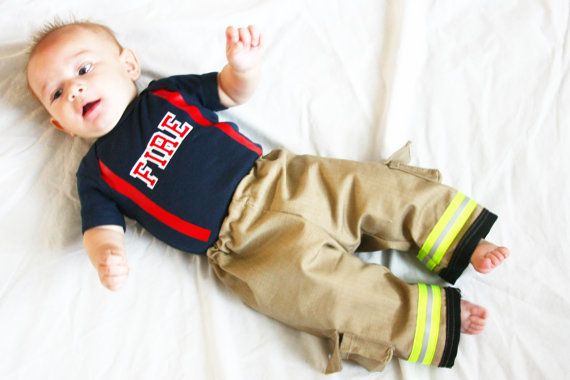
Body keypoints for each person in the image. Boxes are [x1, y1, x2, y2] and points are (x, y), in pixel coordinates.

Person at [26, 20, 510, 373]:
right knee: (333, 298)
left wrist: (242, 66)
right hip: (250, 252)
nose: (75, 89)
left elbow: (230, 92)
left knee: (375, 190)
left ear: (128, 64)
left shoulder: (165, 95)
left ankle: (457, 236)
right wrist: (106, 254)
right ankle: (428, 319)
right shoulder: (98, 173)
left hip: (284, 180)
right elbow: (100, 227)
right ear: (58, 125)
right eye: (57, 93)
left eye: (85, 68)